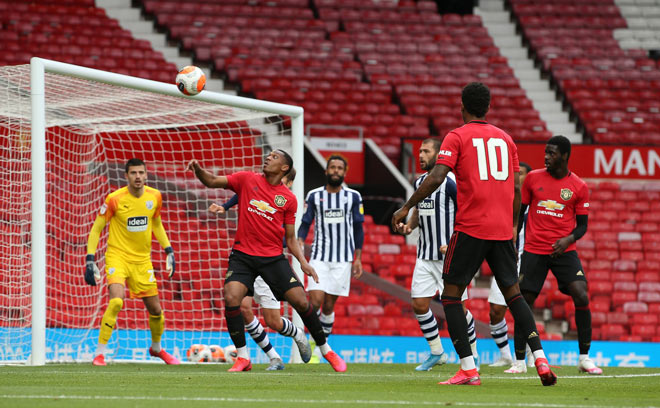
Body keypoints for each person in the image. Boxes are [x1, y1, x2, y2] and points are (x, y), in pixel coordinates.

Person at [391, 82, 557, 386]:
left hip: (471, 228)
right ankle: (541, 358)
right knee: (514, 295)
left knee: (450, 296)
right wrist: (514, 225)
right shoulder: (507, 140)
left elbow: (438, 175)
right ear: (489, 107)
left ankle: (468, 368)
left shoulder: (456, 136)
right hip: (502, 230)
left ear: (462, 106)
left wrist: (406, 206)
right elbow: (518, 188)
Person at [187, 149, 346, 372]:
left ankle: (326, 350)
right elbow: (212, 181)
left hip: (272, 258)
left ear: (284, 168)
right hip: (242, 256)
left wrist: (302, 261)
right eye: (268, 155)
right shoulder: (246, 179)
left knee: (301, 302)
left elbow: (290, 238)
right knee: (232, 298)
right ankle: (243, 357)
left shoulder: (288, 199)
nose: (268, 158)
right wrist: (198, 170)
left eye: (274, 157)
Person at [513, 135, 602, 375]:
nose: (546, 157)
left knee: (581, 295)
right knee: (524, 300)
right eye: (545, 153)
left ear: (564, 156)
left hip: (564, 251)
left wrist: (568, 239)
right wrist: (514, 236)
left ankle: (584, 358)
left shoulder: (579, 187)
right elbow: (520, 212)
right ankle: (520, 361)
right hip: (534, 249)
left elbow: (582, 226)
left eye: (552, 153)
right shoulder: (532, 178)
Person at [208, 169, 309, 371]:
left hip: (268, 266)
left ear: (287, 183)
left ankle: (297, 333)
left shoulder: (286, 203)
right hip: (246, 261)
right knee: (242, 308)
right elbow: (245, 192)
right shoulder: (260, 191)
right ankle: (272, 358)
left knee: (273, 321)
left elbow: (287, 239)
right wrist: (226, 206)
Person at [394, 138, 479, 372]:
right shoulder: (420, 182)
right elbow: (420, 210)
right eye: (419, 151)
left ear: (439, 154)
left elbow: (466, 214)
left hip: (449, 256)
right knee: (419, 304)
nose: (420, 155)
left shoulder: (451, 183)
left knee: (459, 308)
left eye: (425, 151)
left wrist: (454, 242)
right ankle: (436, 352)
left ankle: (473, 354)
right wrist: (410, 226)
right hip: (425, 254)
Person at [85, 158, 179, 366]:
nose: (138, 176)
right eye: (134, 173)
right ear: (126, 176)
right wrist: (90, 259)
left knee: (156, 310)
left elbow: (156, 223)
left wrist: (168, 250)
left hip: (142, 261)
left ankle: (156, 349)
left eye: (141, 173)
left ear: (146, 175)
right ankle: (100, 354)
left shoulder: (154, 197)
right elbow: (96, 228)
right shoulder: (114, 199)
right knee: (117, 300)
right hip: (117, 257)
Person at [296, 155, 364, 360]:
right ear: (326, 171)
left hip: (343, 259)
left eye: (339, 168)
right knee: (315, 301)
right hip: (319, 256)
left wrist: (358, 258)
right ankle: (311, 339)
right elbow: (306, 221)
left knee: (328, 306)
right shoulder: (315, 195)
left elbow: (358, 228)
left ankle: (317, 348)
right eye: (332, 167)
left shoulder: (353, 196)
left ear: (344, 172)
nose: (335, 171)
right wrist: (300, 239)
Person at [487, 162, 532, 369]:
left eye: (521, 174)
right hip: (506, 260)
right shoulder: (504, 200)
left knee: (521, 309)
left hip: (528, 261)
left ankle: (530, 353)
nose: (518, 178)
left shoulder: (536, 204)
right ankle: (505, 355)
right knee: (496, 310)